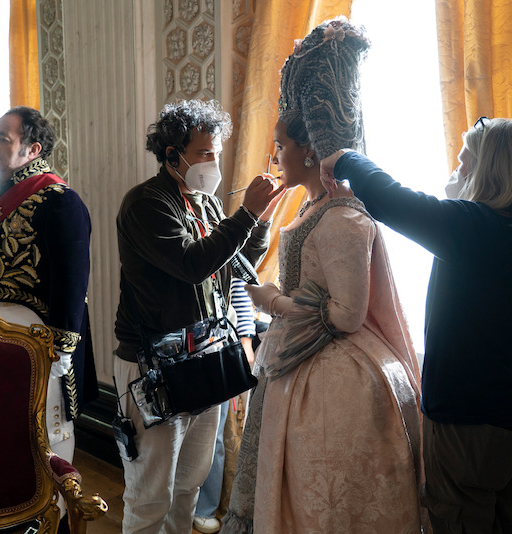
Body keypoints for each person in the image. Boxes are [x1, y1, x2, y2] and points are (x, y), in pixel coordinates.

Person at [224, 17, 426, 534]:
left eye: (280, 146)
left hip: (338, 378)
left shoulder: (343, 217)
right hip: (297, 362)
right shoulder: (314, 208)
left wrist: (271, 301)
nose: (274, 156)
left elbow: (345, 313)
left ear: (310, 150)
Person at [321, 117, 512, 533]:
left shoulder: (477, 228)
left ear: (490, 171)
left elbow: (393, 200)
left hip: (467, 425)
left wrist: (346, 158)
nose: (457, 174)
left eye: (465, 163)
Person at [113, 99, 283, 534]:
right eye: (205, 153)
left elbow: (238, 262)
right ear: (172, 155)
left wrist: (258, 221)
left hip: (204, 357)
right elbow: (191, 264)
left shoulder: (204, 203)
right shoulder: (145, 204)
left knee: (188, 487)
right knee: (150, 493)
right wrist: (244, 214)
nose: (214, 162)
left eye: (216, 152)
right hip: (153, 364)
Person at [0, 106, 97, 526]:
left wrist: (59, 355)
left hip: (45, 354)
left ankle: (52, 520)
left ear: (32, 149)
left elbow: (72, 287)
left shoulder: (61, 203)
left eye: (3, 138)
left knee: (49, 443)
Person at [193, 278, 257, 534]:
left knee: (214, 436)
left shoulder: (229, 251)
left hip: (218, 346)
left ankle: (205, 507)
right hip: (187, 343)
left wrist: (246, 340)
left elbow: (240, 291)